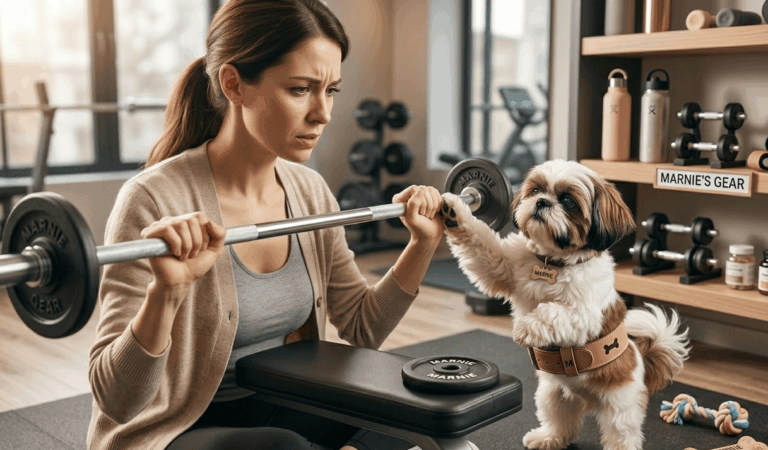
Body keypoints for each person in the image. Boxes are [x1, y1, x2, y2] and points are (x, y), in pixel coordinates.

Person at [85, 1, 445, 449]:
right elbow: (117, 400)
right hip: (176, 426)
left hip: (281, 404)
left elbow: (362, 326)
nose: (323, 113)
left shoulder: (310, 191)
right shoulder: (153, 199)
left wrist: (421, 247)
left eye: (330, 90)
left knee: (420, 427)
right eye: (300, 90)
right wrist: (166, 294)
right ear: (234, 84)